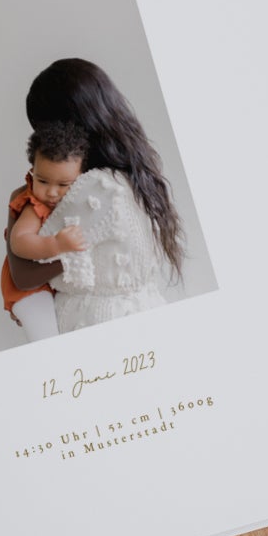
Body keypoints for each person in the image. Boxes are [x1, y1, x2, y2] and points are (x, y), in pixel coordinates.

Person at [16, 60, 185, 334]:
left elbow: (27, 269)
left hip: (97, 321)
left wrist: (20, 210)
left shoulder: (98, 187)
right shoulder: (136, 177)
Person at [1, 122, 90, 341]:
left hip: (52, 287)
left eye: (64, 184)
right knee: (47, 339)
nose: (51, 192)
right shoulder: (34, 205)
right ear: (32, 171)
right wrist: (56, 245)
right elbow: (19, 241)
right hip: (29, 292)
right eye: (42, 181)